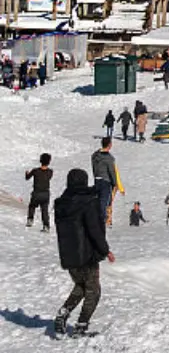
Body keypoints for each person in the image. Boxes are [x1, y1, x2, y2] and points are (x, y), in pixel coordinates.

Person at [52, 168, 115, 337]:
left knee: (81, 286)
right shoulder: (88, 201)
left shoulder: (61, 203)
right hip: (86, 254)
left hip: (68, 255)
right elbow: (94, 229)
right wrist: (105, 250)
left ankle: (63, 313)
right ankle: (81, 326)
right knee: (93, 291)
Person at [90, 138, 122, 227]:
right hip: (106, 181)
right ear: (109, 145)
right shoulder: (109, 158)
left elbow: (93, 167)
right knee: (105, 201)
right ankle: (102, 219)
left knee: (98, 199)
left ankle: (98, 218)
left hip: (97, 179)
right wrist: (115, 183)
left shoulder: (95, 156)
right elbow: (112, 171)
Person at [26, 153, 53, 231]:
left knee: (32, 206)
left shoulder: (35, 171)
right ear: (49, 161)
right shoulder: (50, 172)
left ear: (40, 160)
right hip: (45, 193)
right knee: (45, 210)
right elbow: (48, 178)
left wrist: (27, 173)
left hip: (36, 193)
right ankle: (46, 225)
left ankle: (30, 220)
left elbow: (27, 178)